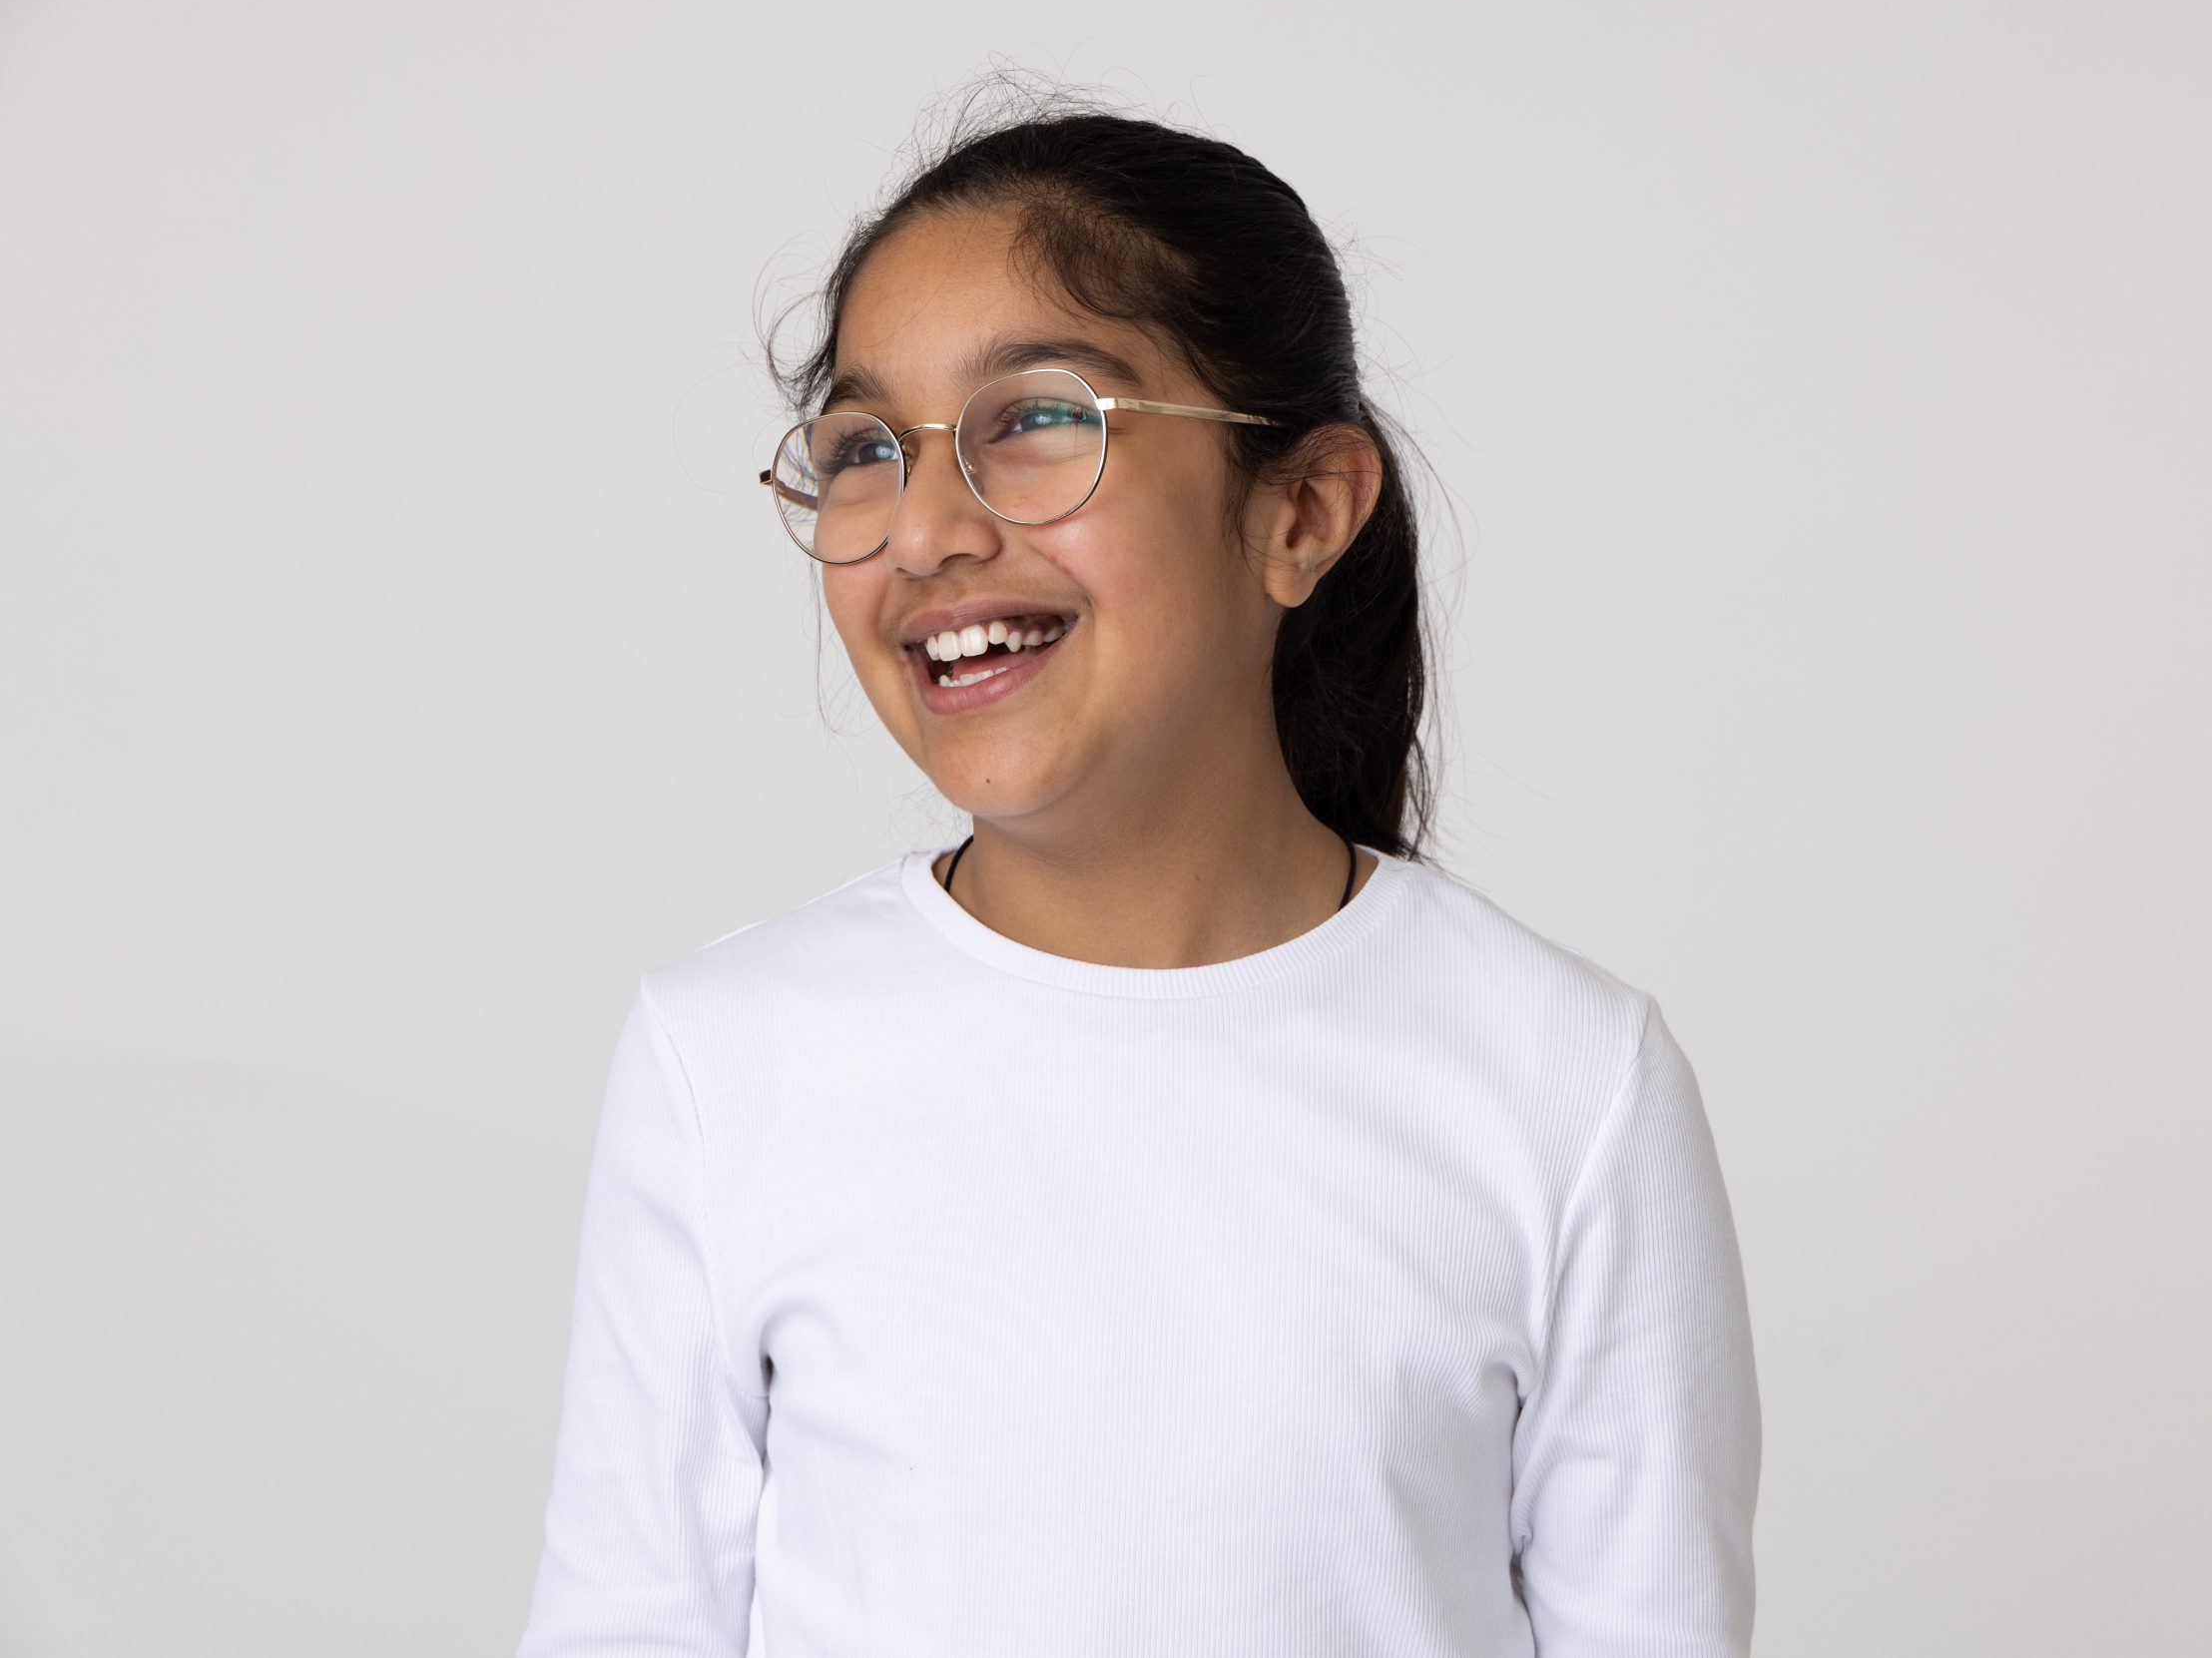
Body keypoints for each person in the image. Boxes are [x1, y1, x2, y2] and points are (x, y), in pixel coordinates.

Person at [516, 90, 1760, 1658]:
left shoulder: (1570, 1082)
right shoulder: (729, 1060)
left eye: (1038, 418)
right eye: (864, 449)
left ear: (1300, 511)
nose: (924, 530)